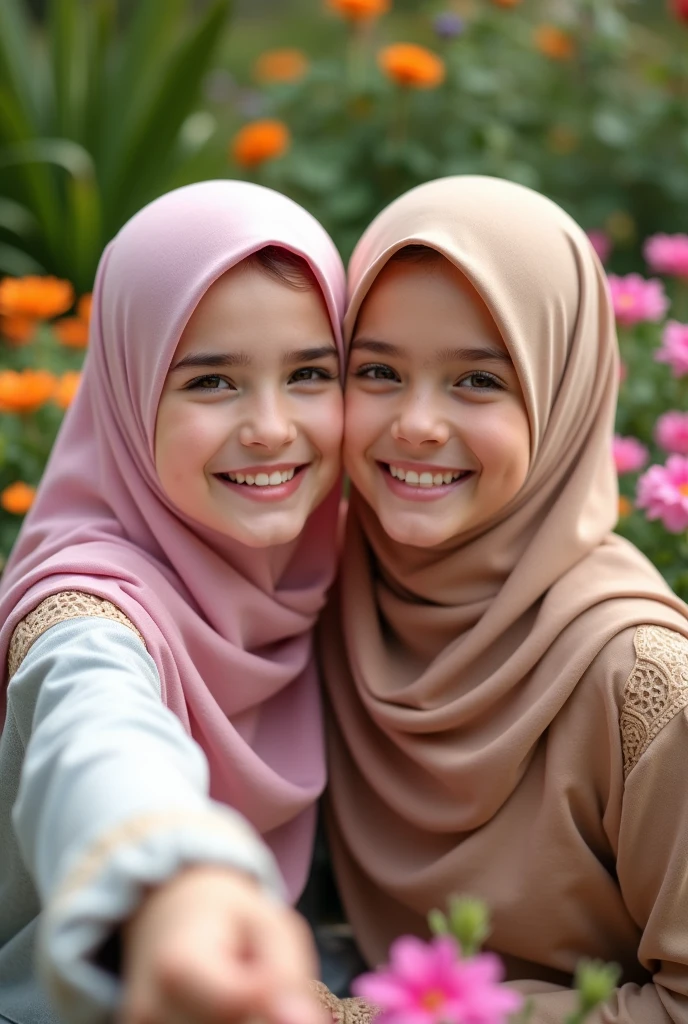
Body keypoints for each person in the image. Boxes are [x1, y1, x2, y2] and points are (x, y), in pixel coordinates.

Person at [319, 176, 688, 1022]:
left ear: (563, 396)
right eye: (377, 370)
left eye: (478, 381)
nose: (416, 423)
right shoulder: (339, 589)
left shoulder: (643, 683)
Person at [0, 179, 346, 1024]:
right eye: (213, 383)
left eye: (309, 373)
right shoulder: (86, 610)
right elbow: (99, 733)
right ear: (128, 390)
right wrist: (176, 882)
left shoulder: (316, 574)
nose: (269, 426)